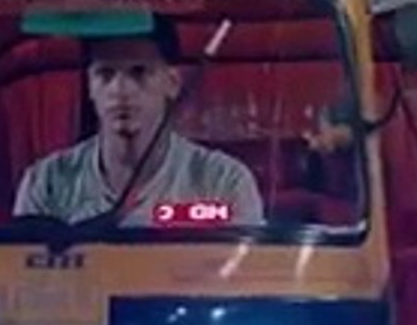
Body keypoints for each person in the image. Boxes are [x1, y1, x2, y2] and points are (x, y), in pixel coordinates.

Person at [14, 21, 265, 226]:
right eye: (106, 74)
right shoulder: (46, 182)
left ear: (172, 82)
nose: (120, 90)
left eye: (139, 72)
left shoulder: (223, 181)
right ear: (89, 85)